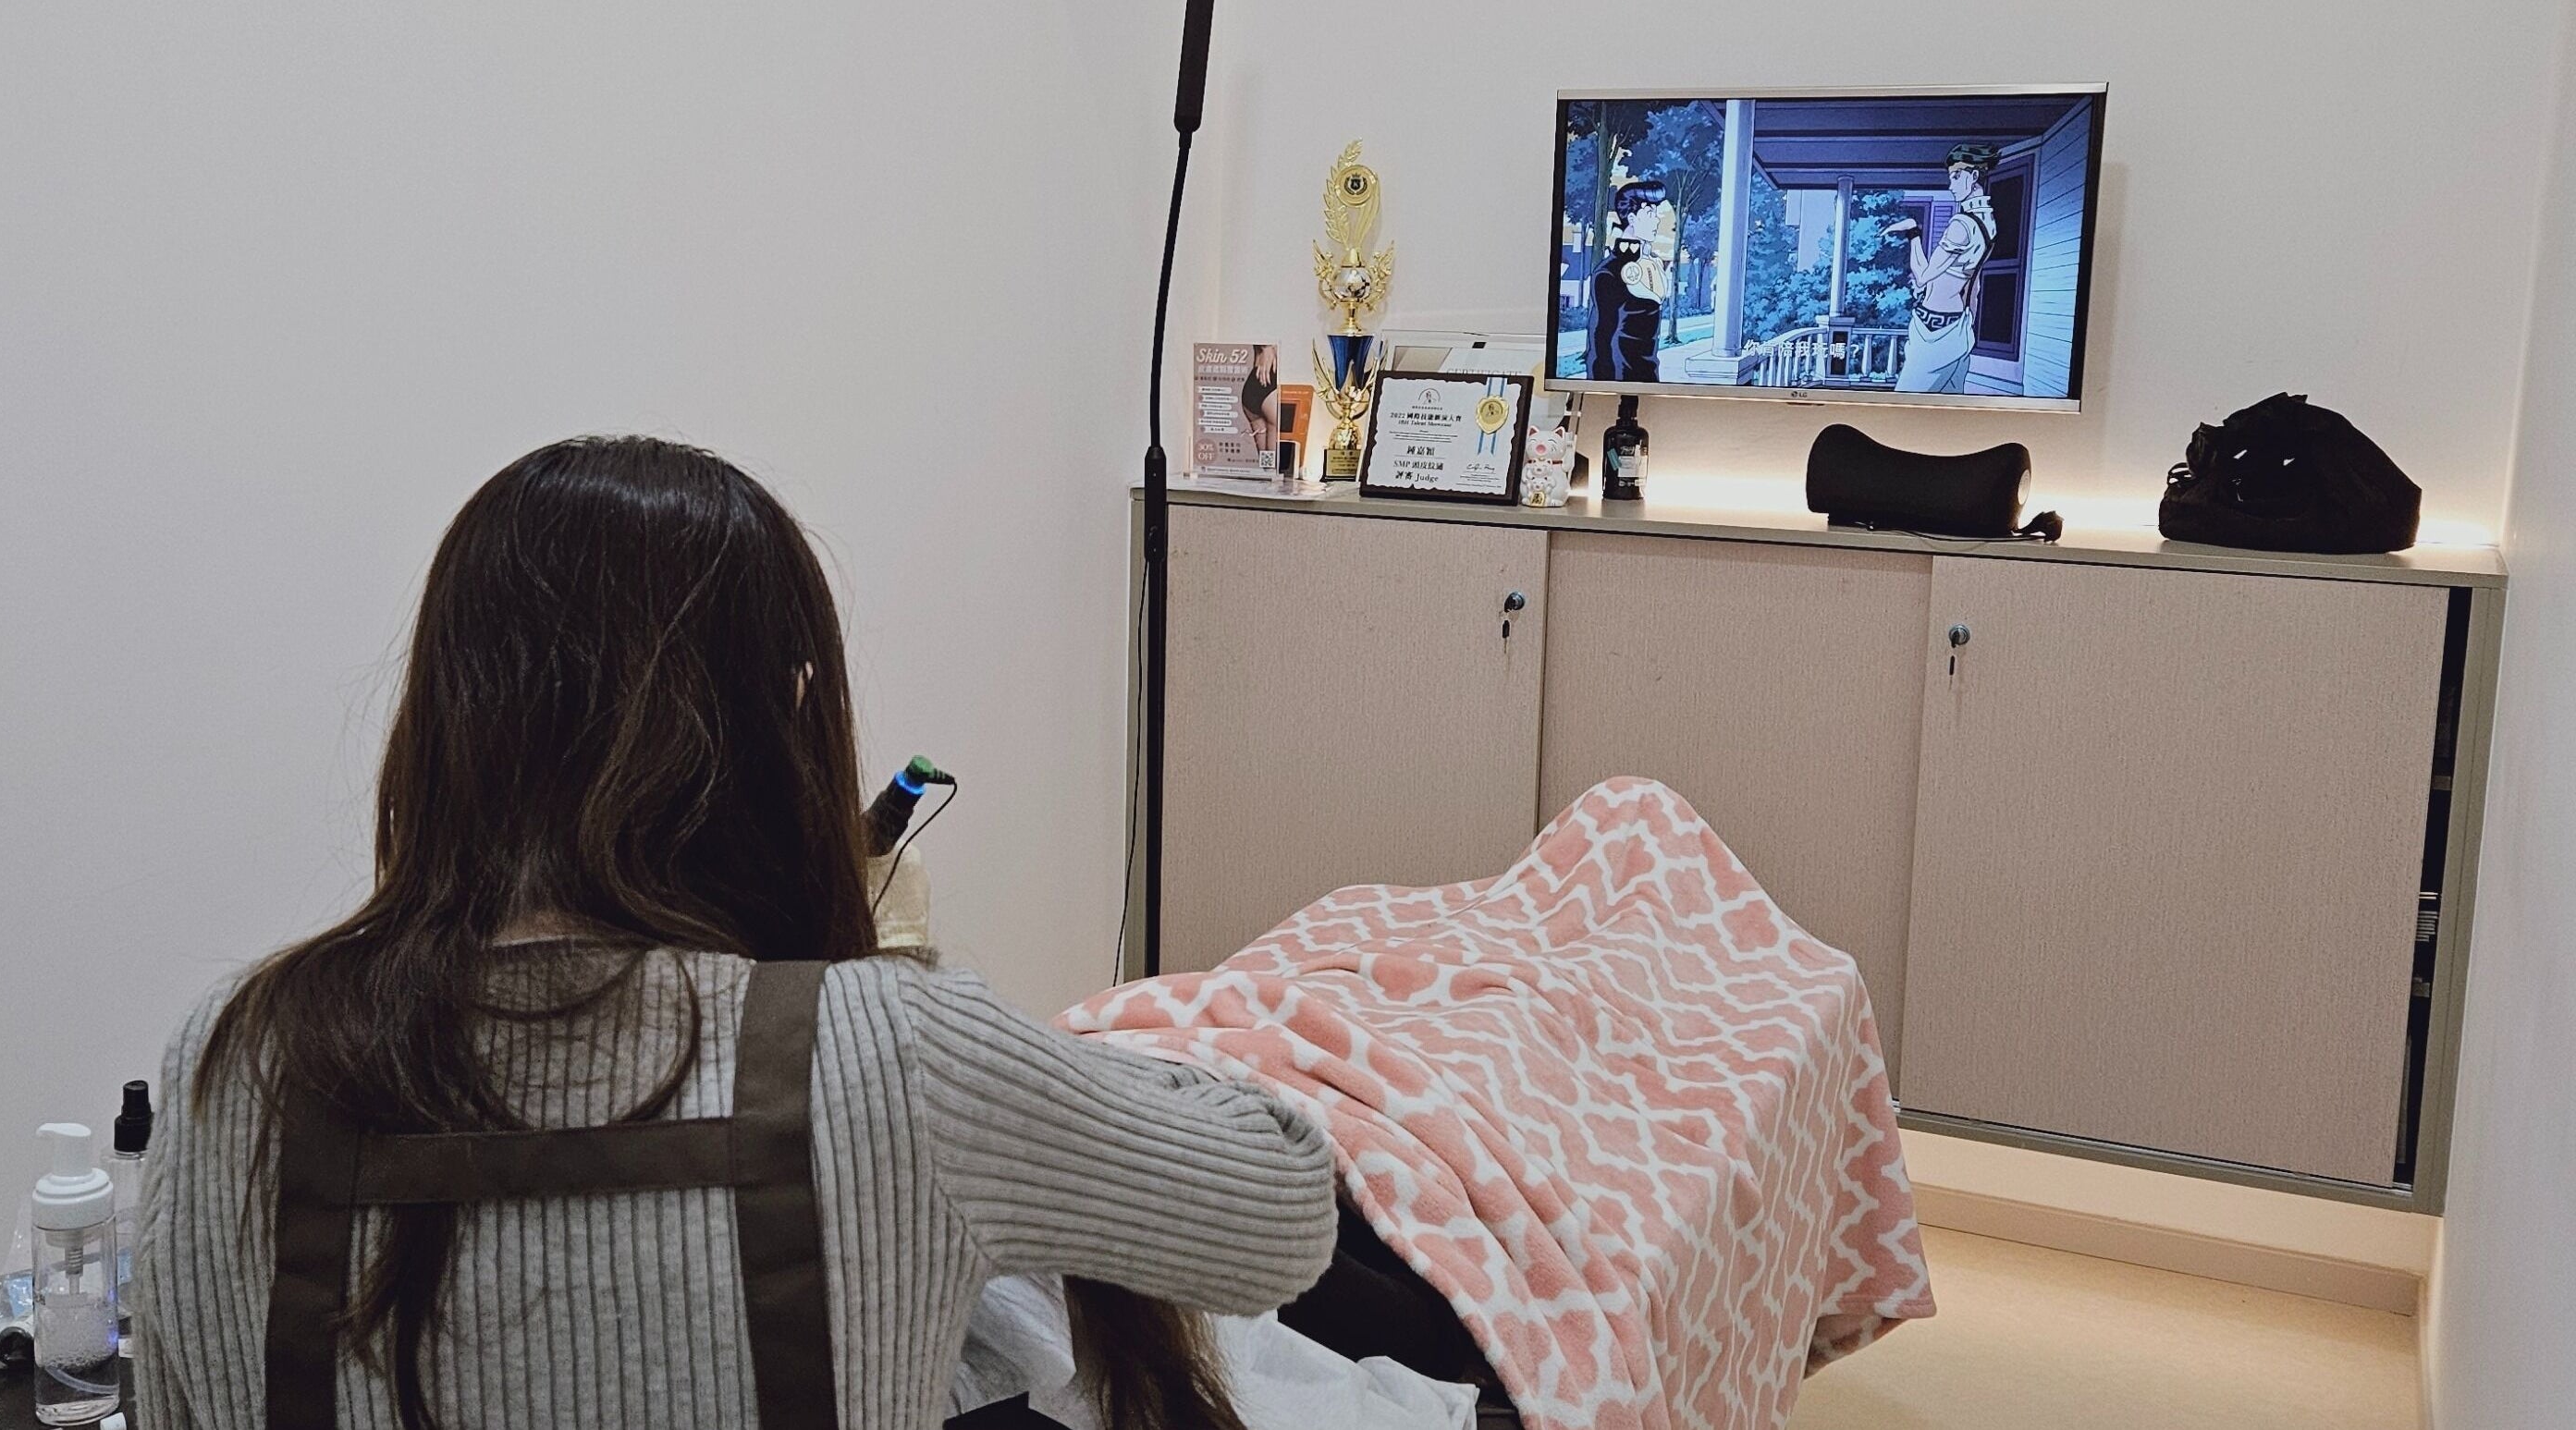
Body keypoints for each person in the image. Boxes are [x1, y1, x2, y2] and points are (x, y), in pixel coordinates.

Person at [132, 436, 1337, 1430]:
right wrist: (952, 1026)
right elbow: (1284, 1209)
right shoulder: (893, 1053)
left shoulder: (234, 1060)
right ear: (785, 724)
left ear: (447, 721)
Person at [1886, 145, 2002, 394]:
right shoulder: (1988, 223)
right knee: (1948, 407)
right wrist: (1968, 321)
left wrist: (1913, 232)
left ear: (1974, 176)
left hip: (1935, 331)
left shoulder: (1962, 224)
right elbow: (1974, 284)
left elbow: (1922, 276)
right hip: (1959, 325)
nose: (1951, 186)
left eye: (1957, 177)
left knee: (1905, 404)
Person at [1586, 178, 1677, 384]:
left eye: (1656, 214)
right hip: (1620, 380)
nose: (1656, 221)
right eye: (1650, 214)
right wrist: (1602, 391)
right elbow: (1602, 339)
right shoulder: (1610, 272)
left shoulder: (1654, 263)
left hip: (1648, 379)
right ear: (1632, 218)